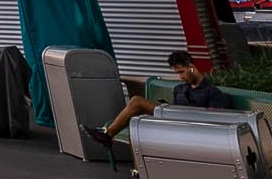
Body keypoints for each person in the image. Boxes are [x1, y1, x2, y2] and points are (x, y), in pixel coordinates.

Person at [84, 50, 235, 150]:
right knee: (138, 126)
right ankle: (137, 173)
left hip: (192, 125)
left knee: (137, 101)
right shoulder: (180, 89)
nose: (180, 77)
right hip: (175, 121)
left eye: (182, 72)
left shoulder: (212, 92)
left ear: (192, 67)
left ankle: (107, 135)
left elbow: (217, 119)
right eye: (177, 73)